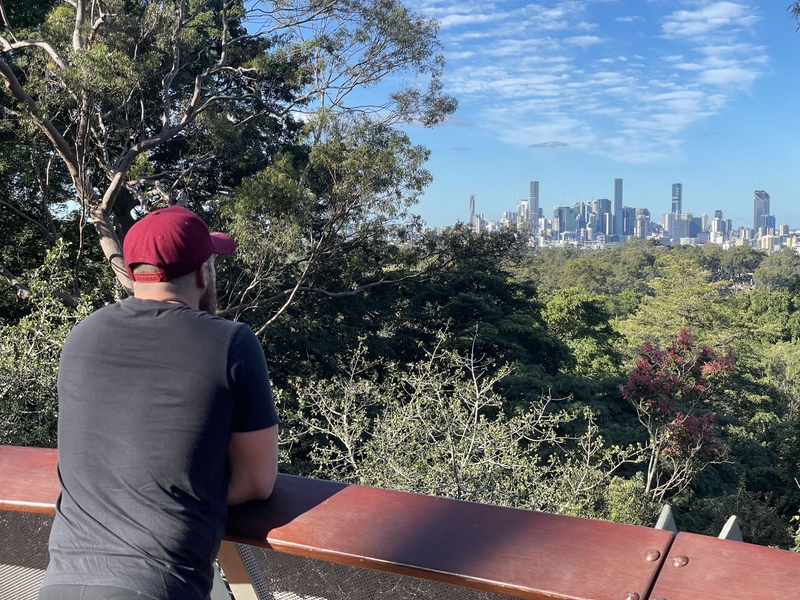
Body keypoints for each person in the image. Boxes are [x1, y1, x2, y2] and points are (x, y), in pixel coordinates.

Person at [39, 206, 280, 600]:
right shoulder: (231, 343)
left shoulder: (82, 336)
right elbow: (257, 482)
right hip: (157, 585)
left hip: (59, 582)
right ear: (204, 274)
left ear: (136, 274)